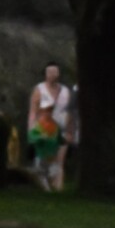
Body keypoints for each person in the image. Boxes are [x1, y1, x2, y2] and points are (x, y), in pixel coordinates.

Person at [23, 63, 78, 191]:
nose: (53, 74)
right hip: (44, 130)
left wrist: (71, 131)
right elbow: (33, 111)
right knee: (44, 162)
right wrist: (31, 130)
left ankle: (58, 190)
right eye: (50, 72)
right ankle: (44, 189)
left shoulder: (65, 91)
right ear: (45, 74)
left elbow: (70, 112)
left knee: (59, 163)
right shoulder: (39, 90)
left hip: (61, 130)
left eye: (55, 71)